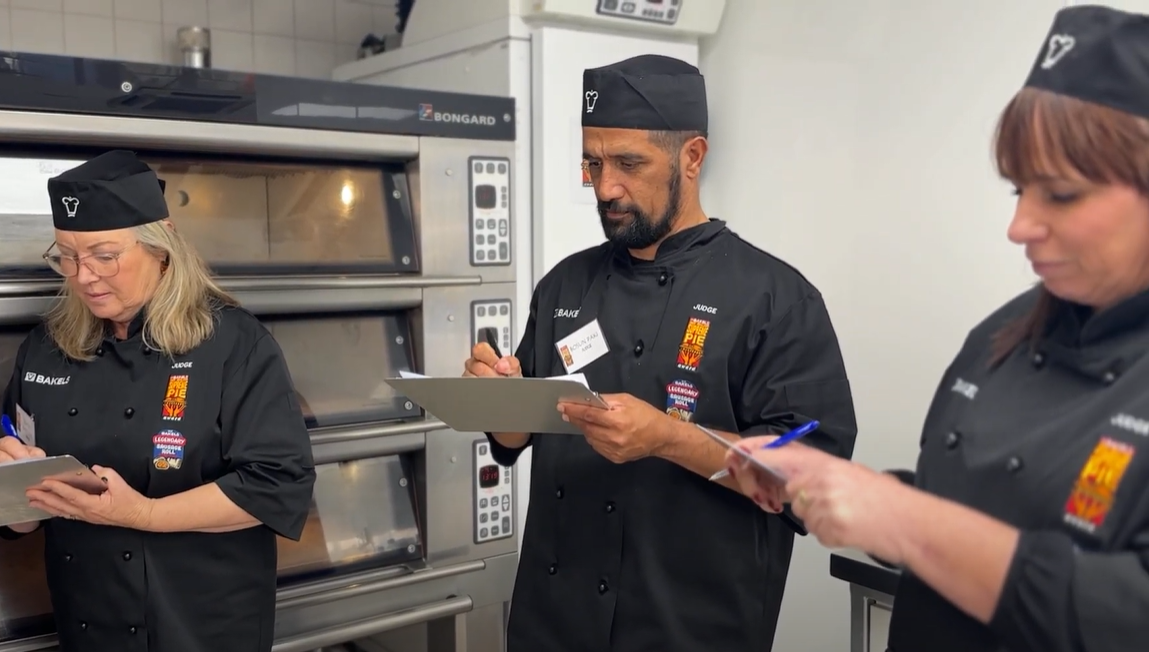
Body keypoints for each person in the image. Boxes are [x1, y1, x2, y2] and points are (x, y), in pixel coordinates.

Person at [726, 6, 1149, 652]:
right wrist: (849, 491)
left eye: (1059, 194)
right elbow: (961, 505)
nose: (1018, 227)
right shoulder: (1000, 337)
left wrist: (904, 522)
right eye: (1016, 192)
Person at [462, 55, 859, 652]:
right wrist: (503, 405)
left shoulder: (775, 299)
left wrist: (670, 438)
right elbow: (520, 436)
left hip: (687, 628)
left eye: (628, 163)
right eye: (591, 163)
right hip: (552, 625)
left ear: (692, 157)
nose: (605, 187)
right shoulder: (565, 286)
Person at [0, 149, 317, 652]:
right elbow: (15, 496)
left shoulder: (233, 343)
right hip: (88, 622)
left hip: (201, 625)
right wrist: (1, 477)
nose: (83, 275)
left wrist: (143, 515)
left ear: (161, 249)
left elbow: (276, 484)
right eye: (66, 256)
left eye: (103, 256)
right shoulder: (46, 348)